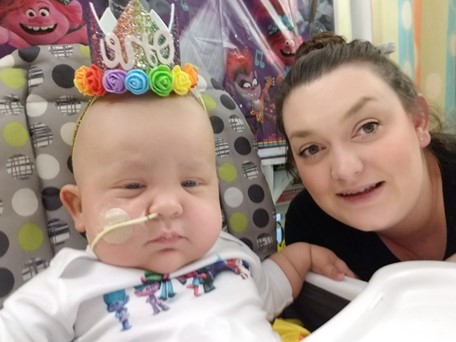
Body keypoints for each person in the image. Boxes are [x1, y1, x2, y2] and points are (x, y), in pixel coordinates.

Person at [0, 87, 353, 341]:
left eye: (190, 182)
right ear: (79, 208)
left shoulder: (232, 255)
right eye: (133, 186)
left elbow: (271, 288)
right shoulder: (68, 284)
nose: (169, 205)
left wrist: (301, 257)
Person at [275, 32, 456, 282]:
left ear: (418, 122)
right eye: (312, 149)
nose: (345, 169)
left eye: (368, 127)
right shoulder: (310, 228)